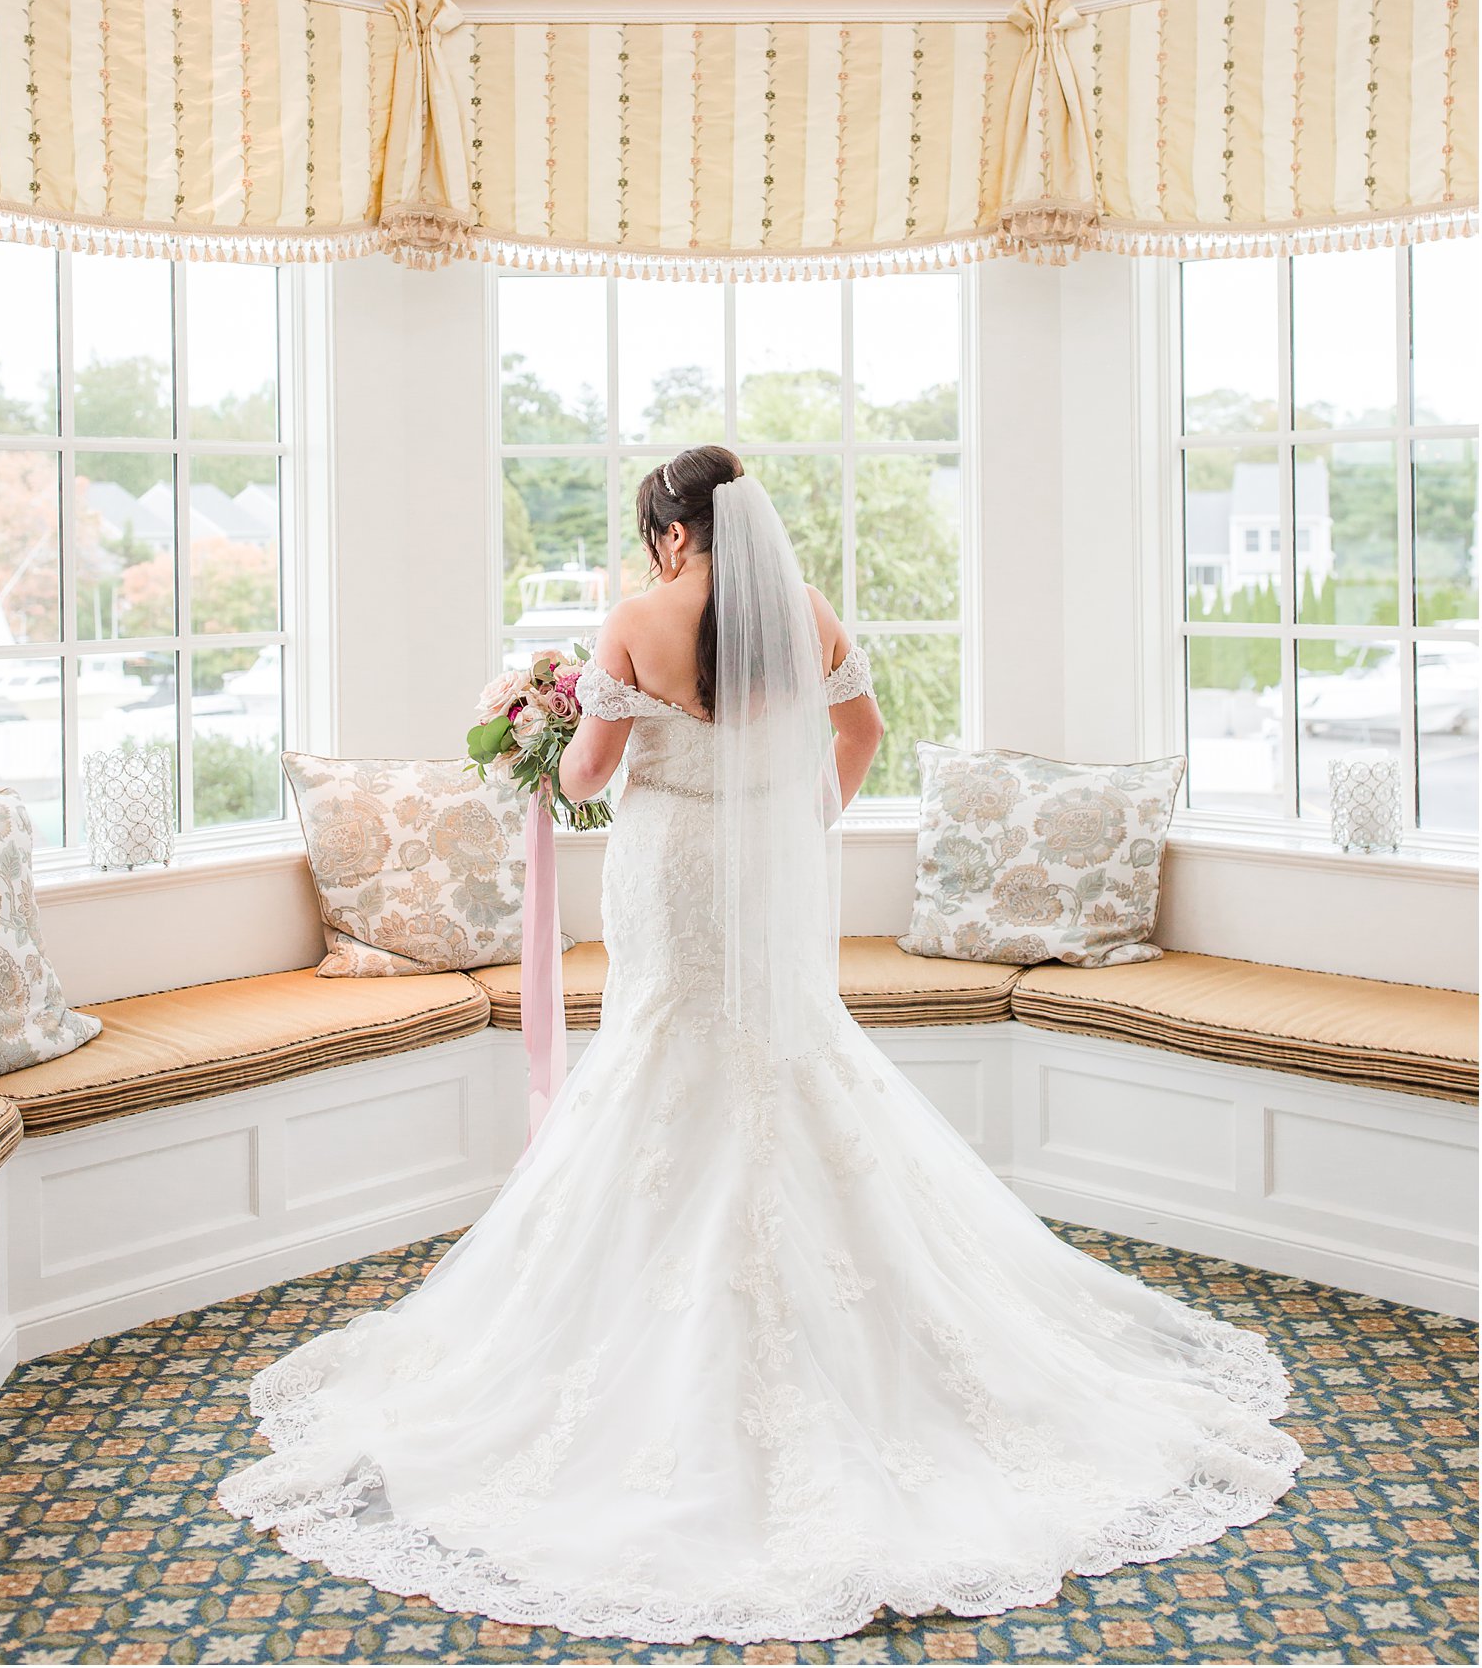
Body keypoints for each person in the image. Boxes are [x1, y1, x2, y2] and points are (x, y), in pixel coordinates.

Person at [220, 445, 1300, 1644]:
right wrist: (794, 824)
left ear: (673, 533)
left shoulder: (636, 616)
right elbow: (865, 731)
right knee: (782, 1054)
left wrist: (552, 726)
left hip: (671, 867)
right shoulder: (807, 612)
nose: (651, 554)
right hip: (766, 867)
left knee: (662, 1054)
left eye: (653, 535)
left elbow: (587, 776)